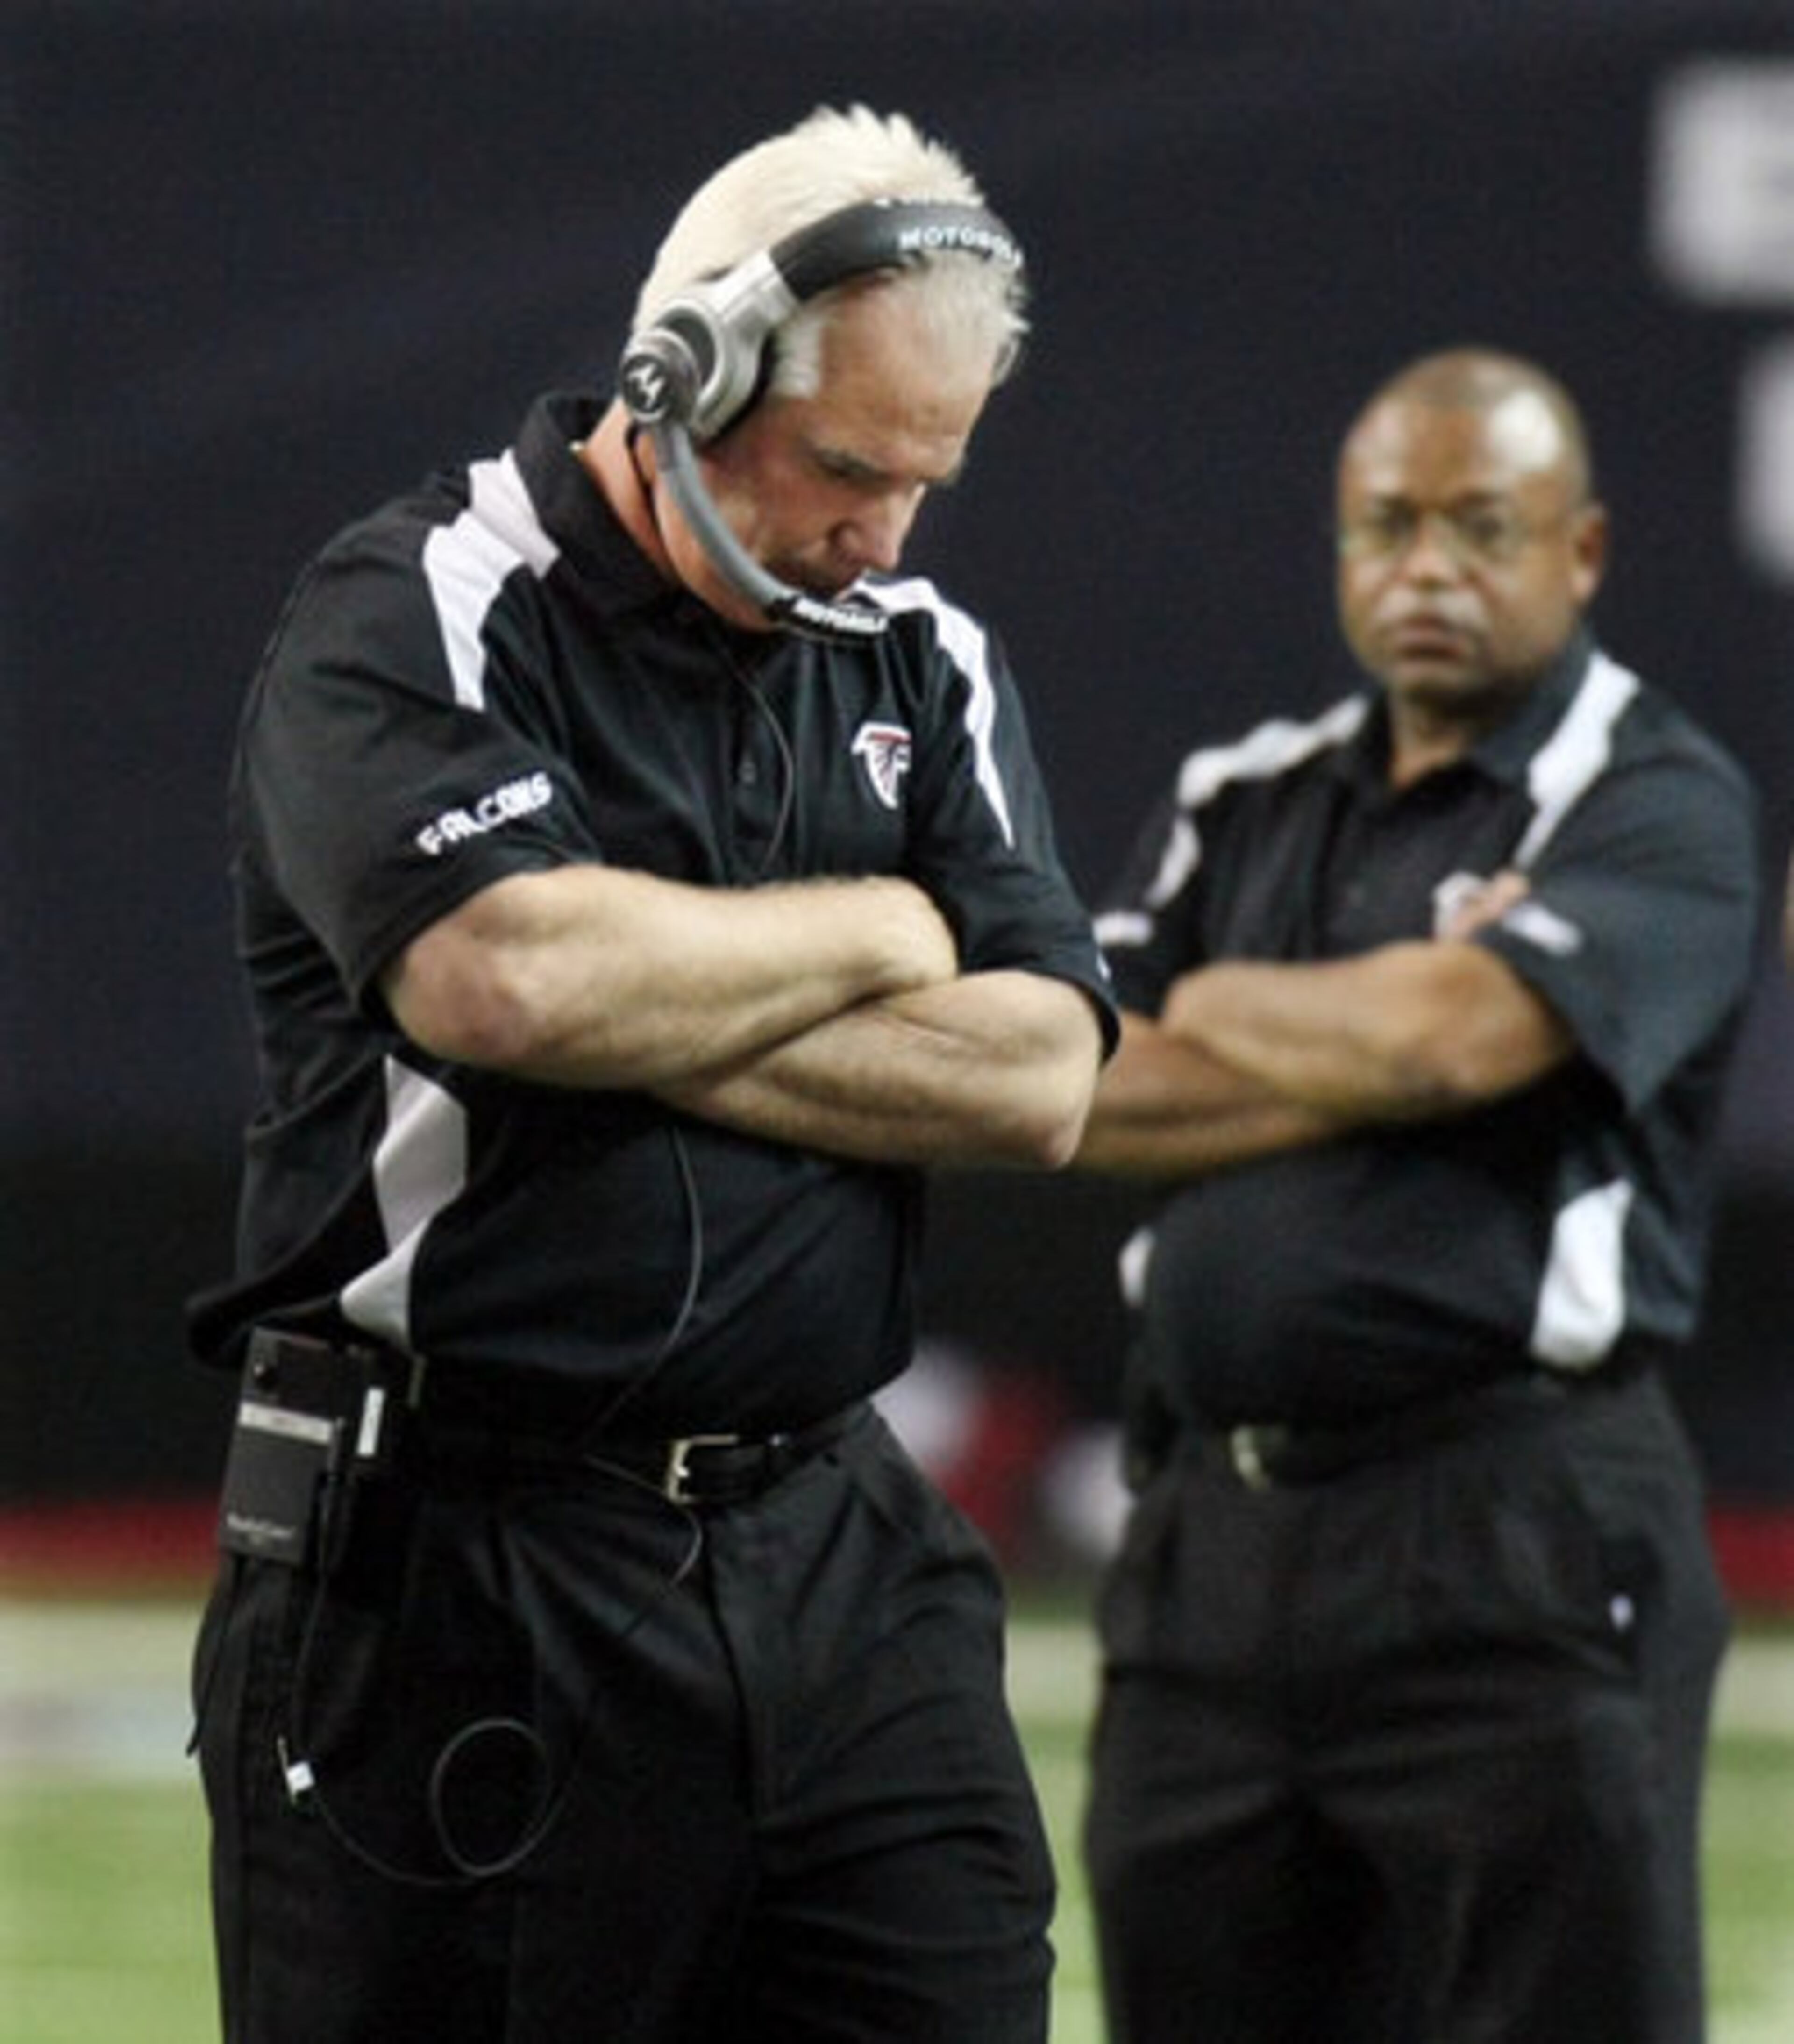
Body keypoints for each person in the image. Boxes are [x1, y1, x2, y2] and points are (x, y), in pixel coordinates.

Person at [185, 104, 1114, 2044]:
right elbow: (509, 982)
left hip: (840, 1542)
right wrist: (873, 933)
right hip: (458, 1553)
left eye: (929, 481)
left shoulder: (921, 653)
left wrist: (663, 999)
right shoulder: (416, 604)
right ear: (678, 374)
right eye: (846, 467)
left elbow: (1039, 1074)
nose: (884, 535)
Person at [1075, 348, 1760, 2044]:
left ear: (1581, 552)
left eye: (1482, 526)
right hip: (1211, 1547)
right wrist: (1362, 1040)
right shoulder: (1243, 796)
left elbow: (1451, 1046)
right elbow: (1069, 1082)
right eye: (1385, 526)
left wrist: (1229, 1012)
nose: (1426, 569)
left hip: (1509, 1538)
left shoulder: (1659, 797)